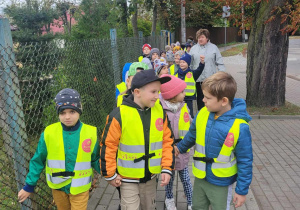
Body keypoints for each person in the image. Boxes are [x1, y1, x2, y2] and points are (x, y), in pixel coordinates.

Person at [175, 72, 253, 210]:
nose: (203, 100)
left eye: (207, 98)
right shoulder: (202, 113)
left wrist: (241, 191)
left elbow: (245, 161)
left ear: (223, 101)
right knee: (198, 207)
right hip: (200, 177)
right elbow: (192, 135)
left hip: (221, 182)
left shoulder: (239, 127)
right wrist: (179, 148)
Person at [100, 70, 174, 210]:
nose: (157, 96)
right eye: (153, 92)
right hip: (127, 179)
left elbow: (167, 141)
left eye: (158, 92)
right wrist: (110, 174)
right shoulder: (119, 115)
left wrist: (166, 168)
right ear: (137, 92)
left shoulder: (159, 112)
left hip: (150, 177)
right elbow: (108, 146)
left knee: (149, 207)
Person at [17, 88, 100, 209]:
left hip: (80, 187)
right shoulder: (49, 133)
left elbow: (96, 158)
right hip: (58, 187)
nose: (67, 117)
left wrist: (110, 175)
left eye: (72, 111)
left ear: (79, 110)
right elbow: (38, 160)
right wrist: (29, 185)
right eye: (62, 113)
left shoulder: (90, 132)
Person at [159, 75, 193, 210]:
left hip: (182, 150)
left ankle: (191, 202)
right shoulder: (161, 110)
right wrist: (170, 147)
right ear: (173, 94)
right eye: (182, 92)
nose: (185, 94)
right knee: (169, 179)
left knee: (185, 178)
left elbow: (191, 125)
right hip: (168, 151)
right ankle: (169, 199)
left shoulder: (184, 107)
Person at [189, 29, 225, 111]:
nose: (200, 39)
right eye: (198, 37)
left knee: (211, 100)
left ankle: (212, 117)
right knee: (201, 102)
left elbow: (220, 63)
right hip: (198, 81)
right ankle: (201, 118)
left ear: (207, 38)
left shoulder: (214, 48)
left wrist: (222, 76)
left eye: (202, 37)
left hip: (211, 80)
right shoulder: (193, 49)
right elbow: (189, 64)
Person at [175, 52, 205, 118]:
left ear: (188, 64)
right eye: (180, 62)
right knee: (179, 113)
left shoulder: (192, 73)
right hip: (179, 98)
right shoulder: (176, 74)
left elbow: (199, 70)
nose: (181, 64)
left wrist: (202, 63)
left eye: (184, 62)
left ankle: (191, 125)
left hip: (189, 98)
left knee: (189, 114)